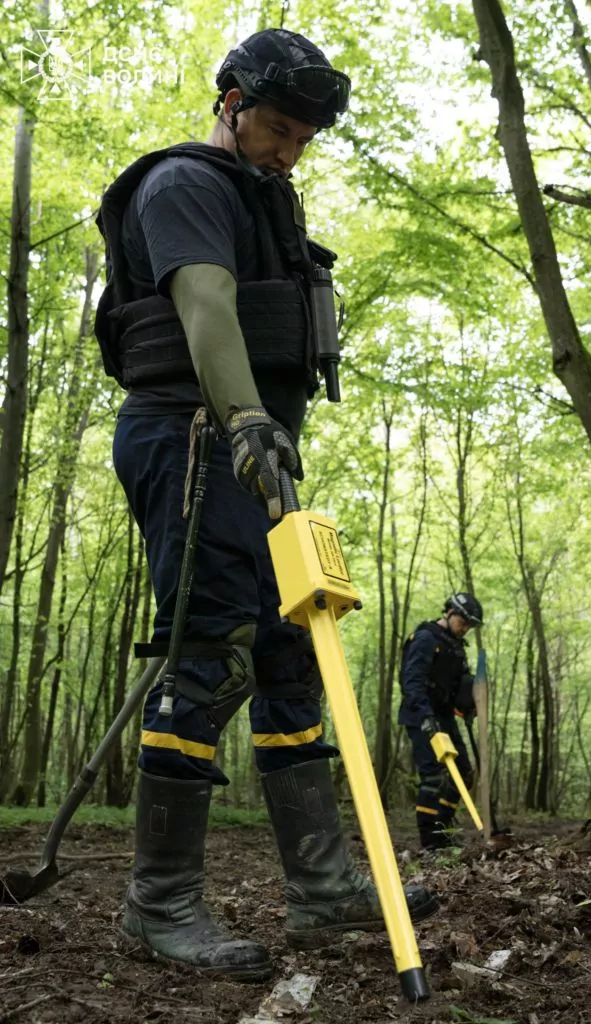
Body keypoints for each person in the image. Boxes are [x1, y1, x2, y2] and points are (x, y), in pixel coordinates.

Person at [94, 28, 437, 983]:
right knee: (206, 650)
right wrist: (243, 418)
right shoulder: (185, 185)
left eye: (303, 138)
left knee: (291, 648)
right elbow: (204, 302)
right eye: (279, 128)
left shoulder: (265, 196)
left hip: (259, 451)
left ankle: (323, 887)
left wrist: (264, 435)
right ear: (234, 103)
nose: (290, 150)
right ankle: (157, 904)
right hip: (195, 436)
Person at [398, 592, 483, 850]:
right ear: (450, 612)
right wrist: (425, 718)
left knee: (464, 773)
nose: (465, 628)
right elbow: (411, 682)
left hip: (445, 717)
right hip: (421, 715)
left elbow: (459, 685)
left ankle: (443, 829)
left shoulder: (456, 647)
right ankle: (430, 841)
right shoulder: (425, 638)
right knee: (434, 777)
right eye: (463, 622)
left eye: (470, 625)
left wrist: (466, 706)